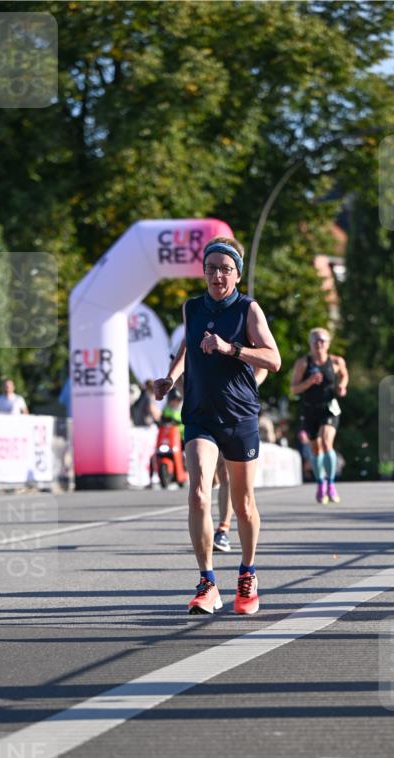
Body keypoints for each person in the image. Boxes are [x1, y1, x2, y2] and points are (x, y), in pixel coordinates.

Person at [154, 235, 281, 615]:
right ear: (204, 272)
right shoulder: (191, 308)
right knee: (197, 494)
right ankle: (207, 582)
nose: (217, 276)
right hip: (199, 413)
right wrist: (172, 377)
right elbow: (187, 348)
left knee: (242, 504)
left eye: (225, 269)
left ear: (237, 275)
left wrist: (231, 348)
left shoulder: (248, 309)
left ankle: (247, 574)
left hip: (240, 414)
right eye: (211, 269)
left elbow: (274, 359)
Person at [290, 327, 348, 503]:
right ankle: (321, 483)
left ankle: (331, 484)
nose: (319, 344)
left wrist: (342, 386)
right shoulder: (303, 363)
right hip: (309, 410)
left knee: (326, 441)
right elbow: (293, 389)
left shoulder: (336, 361)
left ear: (328, 343)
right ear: (310, 343)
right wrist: (308, 382)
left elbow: (344, 375)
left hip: (329, 408)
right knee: (316, 449)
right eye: (315, 340)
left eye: (322, 340)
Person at [213, 369, 268, 554]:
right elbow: (178, 365)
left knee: (227, 477)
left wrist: (248, 386)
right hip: (202, 413)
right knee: (201, 490)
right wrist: (188, 392)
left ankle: (223, 529)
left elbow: (266, 361)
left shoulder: (243, 338)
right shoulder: (188, 338)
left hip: (237, 412)